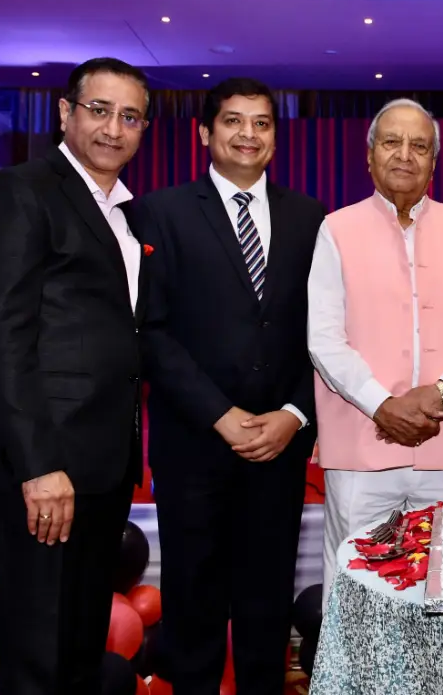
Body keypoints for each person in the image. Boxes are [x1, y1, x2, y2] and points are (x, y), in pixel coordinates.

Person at [0, 57, 149, 694]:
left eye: (130, 117)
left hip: (103, 467)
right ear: (66, 112)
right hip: (43, 469)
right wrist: (39, 466)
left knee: (78, 650)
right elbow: (1, 339)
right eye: (99, 110)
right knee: (37, 654)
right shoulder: (19, 192)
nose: (113, 128)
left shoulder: (125, 214)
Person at [135, 78, 324, 694]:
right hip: (194, 443)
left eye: (262, 123)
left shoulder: (311, 218)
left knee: (266, 605)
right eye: (233, 121)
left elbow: (326, 332)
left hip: (279, 445)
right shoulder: (159, 212)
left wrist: (295, 412)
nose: (249, 134)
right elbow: (151, 331)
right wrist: (220, 414)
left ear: (276, 137)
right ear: (204, 133)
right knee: (193, 604)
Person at [309, 98, 443, 602]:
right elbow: (324, 338)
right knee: (356, 592)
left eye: (419, 146)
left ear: (434, 162)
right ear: (369, 155)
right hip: (361, 448)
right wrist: (382, 405)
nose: (404, 154)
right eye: (391, 142)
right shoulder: (336, 229)